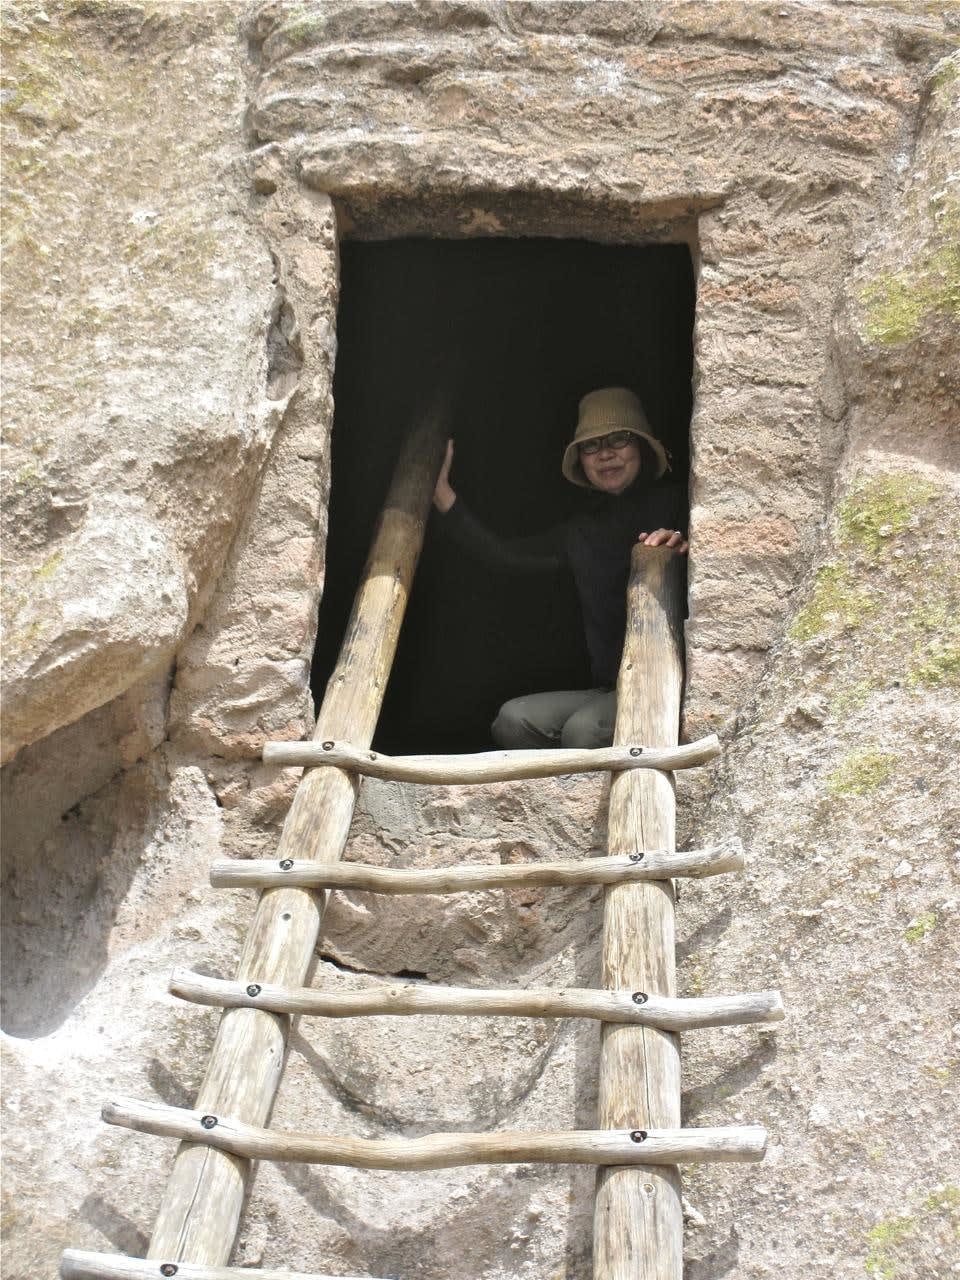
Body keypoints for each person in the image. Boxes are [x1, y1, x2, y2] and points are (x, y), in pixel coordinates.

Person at [432, 386, 688, 749]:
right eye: (591, 446)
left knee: (582, 731)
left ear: (642, 447)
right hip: (610, 687)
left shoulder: (682, 503)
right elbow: (504, 557)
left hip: (665, 682)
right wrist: (443, 495)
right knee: (513, 720)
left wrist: (681, 545)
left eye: (620, 438)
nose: (606, 454)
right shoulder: (580, 532)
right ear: (581, 460)